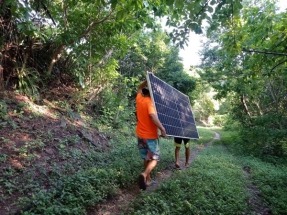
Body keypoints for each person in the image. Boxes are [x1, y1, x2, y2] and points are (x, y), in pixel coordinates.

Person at [135, 80, 166, 190]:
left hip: (140, 135)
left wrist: (147, 80)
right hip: (150, 136)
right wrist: (162, 129)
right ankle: (144, 174)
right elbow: (152, 116)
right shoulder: (150, 103)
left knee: (146, 157)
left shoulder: (139, 98)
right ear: (151, 94)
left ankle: (147, 180)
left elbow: (139, 87)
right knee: (155, 159)